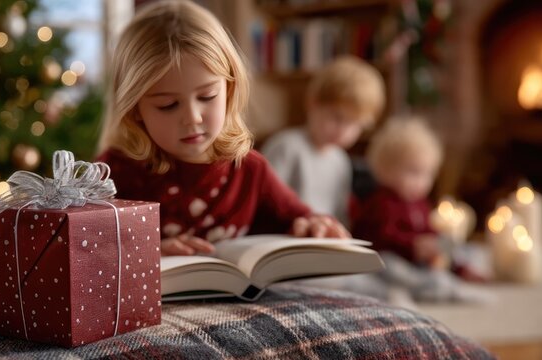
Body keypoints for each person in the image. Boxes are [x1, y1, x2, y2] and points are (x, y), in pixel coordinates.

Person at [96, 0, 349, 257]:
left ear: (229, 89)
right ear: (135, 110)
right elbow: (86, 252)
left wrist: (315, 224)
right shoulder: (111, 175)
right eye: (168, 105)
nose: (192, 118)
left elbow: (300, 217)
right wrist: (147, 253)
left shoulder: (249, 170)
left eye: (207, 97)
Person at [349, 116, 491, 304]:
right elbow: (381, 238)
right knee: (389, 265)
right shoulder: (382, 203)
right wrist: (414, 245)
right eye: (414, 172)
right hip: (392, 260)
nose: (422, 182)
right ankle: (434, 288)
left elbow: (427, 229)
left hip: (420, 260)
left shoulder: (420, 203)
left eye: (428, 173)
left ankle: (460, 271)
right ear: (386, 170)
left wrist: (436, 243)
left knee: (461, 248)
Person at [262, 56, 385, 225]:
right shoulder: (286, 147)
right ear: (313, 104)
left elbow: (340, 214)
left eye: (355, 124)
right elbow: (264, 202)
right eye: (338, 118)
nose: (344, 131)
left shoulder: (340, 161)